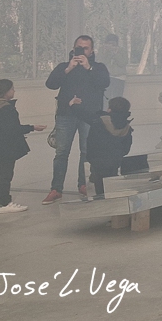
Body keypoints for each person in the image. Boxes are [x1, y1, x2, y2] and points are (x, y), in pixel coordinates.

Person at [42, 35, 110, 204]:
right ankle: (56, 189)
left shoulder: (98, 67)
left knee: (87, 151)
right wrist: (68, 69)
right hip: (66, 114)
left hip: (89, 116)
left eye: (85, 48)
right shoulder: (64, 67)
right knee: (61, 152)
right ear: (73, 49)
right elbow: (51, 84)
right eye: (79, 47)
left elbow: (104, 83)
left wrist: (88, 68)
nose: (82, 51)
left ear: (91, 51)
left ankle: (84, 184)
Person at [0, 79, 47, 213]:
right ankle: (5, 203)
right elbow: (13, 129)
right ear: (4, 92)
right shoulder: (6, 108)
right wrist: (32, 127)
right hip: (6, 146)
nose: (14, 91)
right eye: (11, 89)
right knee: (5, 174)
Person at [67, 95, 133, 198]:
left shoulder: (99, 120)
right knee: (111, 181)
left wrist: (72, 104)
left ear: (109, 109)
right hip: (115, 161)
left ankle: (100, 198)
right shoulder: (127, 127)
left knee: (98, 183)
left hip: (97, 160)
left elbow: (84, 114)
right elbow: (126, 148)